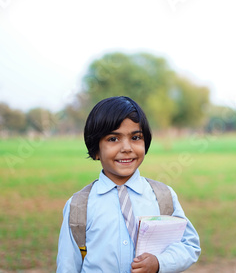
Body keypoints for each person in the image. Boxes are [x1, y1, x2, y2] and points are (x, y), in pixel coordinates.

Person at [56, 96, 201, 272]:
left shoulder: (163, 196)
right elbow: (67, 265)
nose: (126, 148)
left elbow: (189, 245)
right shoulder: (79, 205)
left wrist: (159, 263)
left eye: (135, 137)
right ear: (95, 150)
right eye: (113, 139)